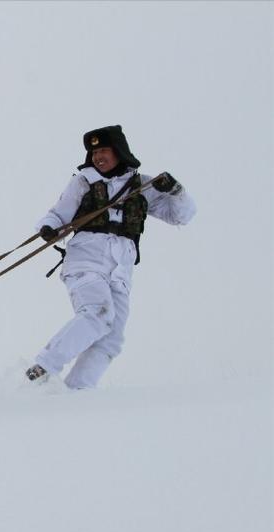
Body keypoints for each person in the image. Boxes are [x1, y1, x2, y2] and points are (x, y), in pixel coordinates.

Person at [25, 125, 196, 389]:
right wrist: (48, 228)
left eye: (104, 150)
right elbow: (58, 214)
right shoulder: (83, 181)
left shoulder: (142, 186)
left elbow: (181, 216)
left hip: (120, 272)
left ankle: (76, 392)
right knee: (96, 313)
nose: (98, 156)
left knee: (112, 337)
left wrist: (176, 191)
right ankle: (42, 368)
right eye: (94, 152)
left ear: (119, 152)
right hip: (85, 262)